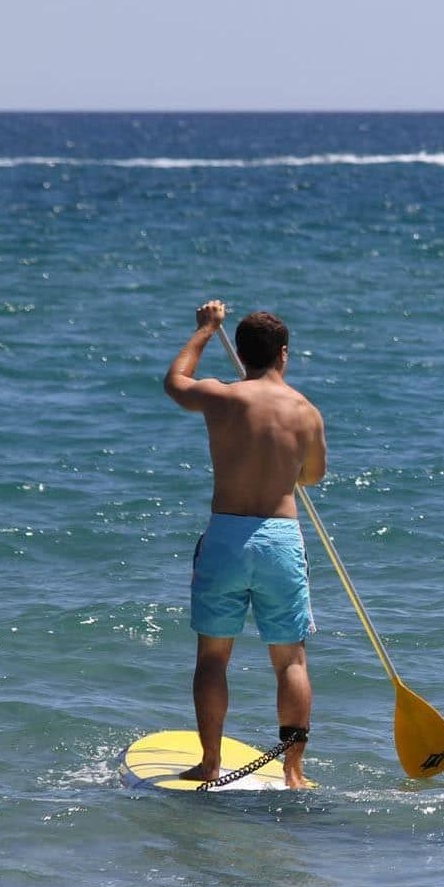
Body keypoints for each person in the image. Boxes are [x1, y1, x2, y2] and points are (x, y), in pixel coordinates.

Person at [163, 301, 326, 787]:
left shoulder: (222, 397)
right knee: (291, 660)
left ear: (245, 354)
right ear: (283, 354)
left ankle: (210, 764)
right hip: (279, 538)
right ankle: (293, 772)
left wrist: (204, 331)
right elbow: (312, 477)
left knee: (213, 658)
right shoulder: (305, 411)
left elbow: (175, 382)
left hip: (228, 535)